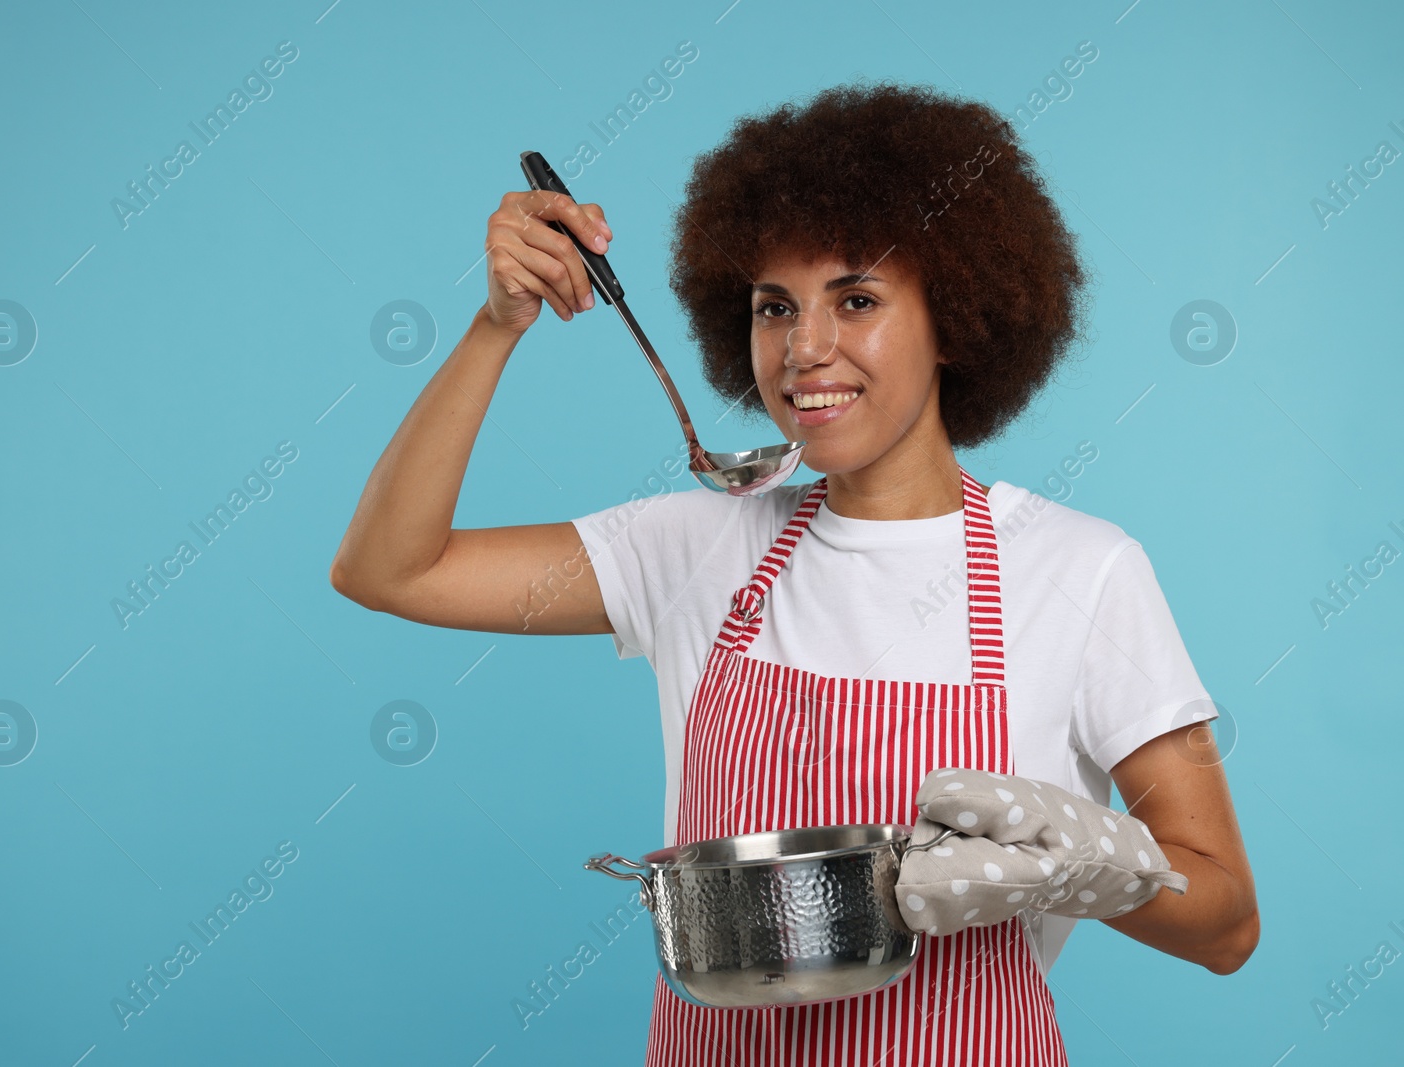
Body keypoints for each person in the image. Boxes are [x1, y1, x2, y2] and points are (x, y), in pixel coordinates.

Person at [331, 81, 1258, 1065]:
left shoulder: (1084, 570)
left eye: (854, 298)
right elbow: (392, 567)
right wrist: (496, 324)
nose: (803, 348)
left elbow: (1226, 923)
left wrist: (1088, 869)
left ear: (953, 318)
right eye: (775, 306)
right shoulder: (697, 546)